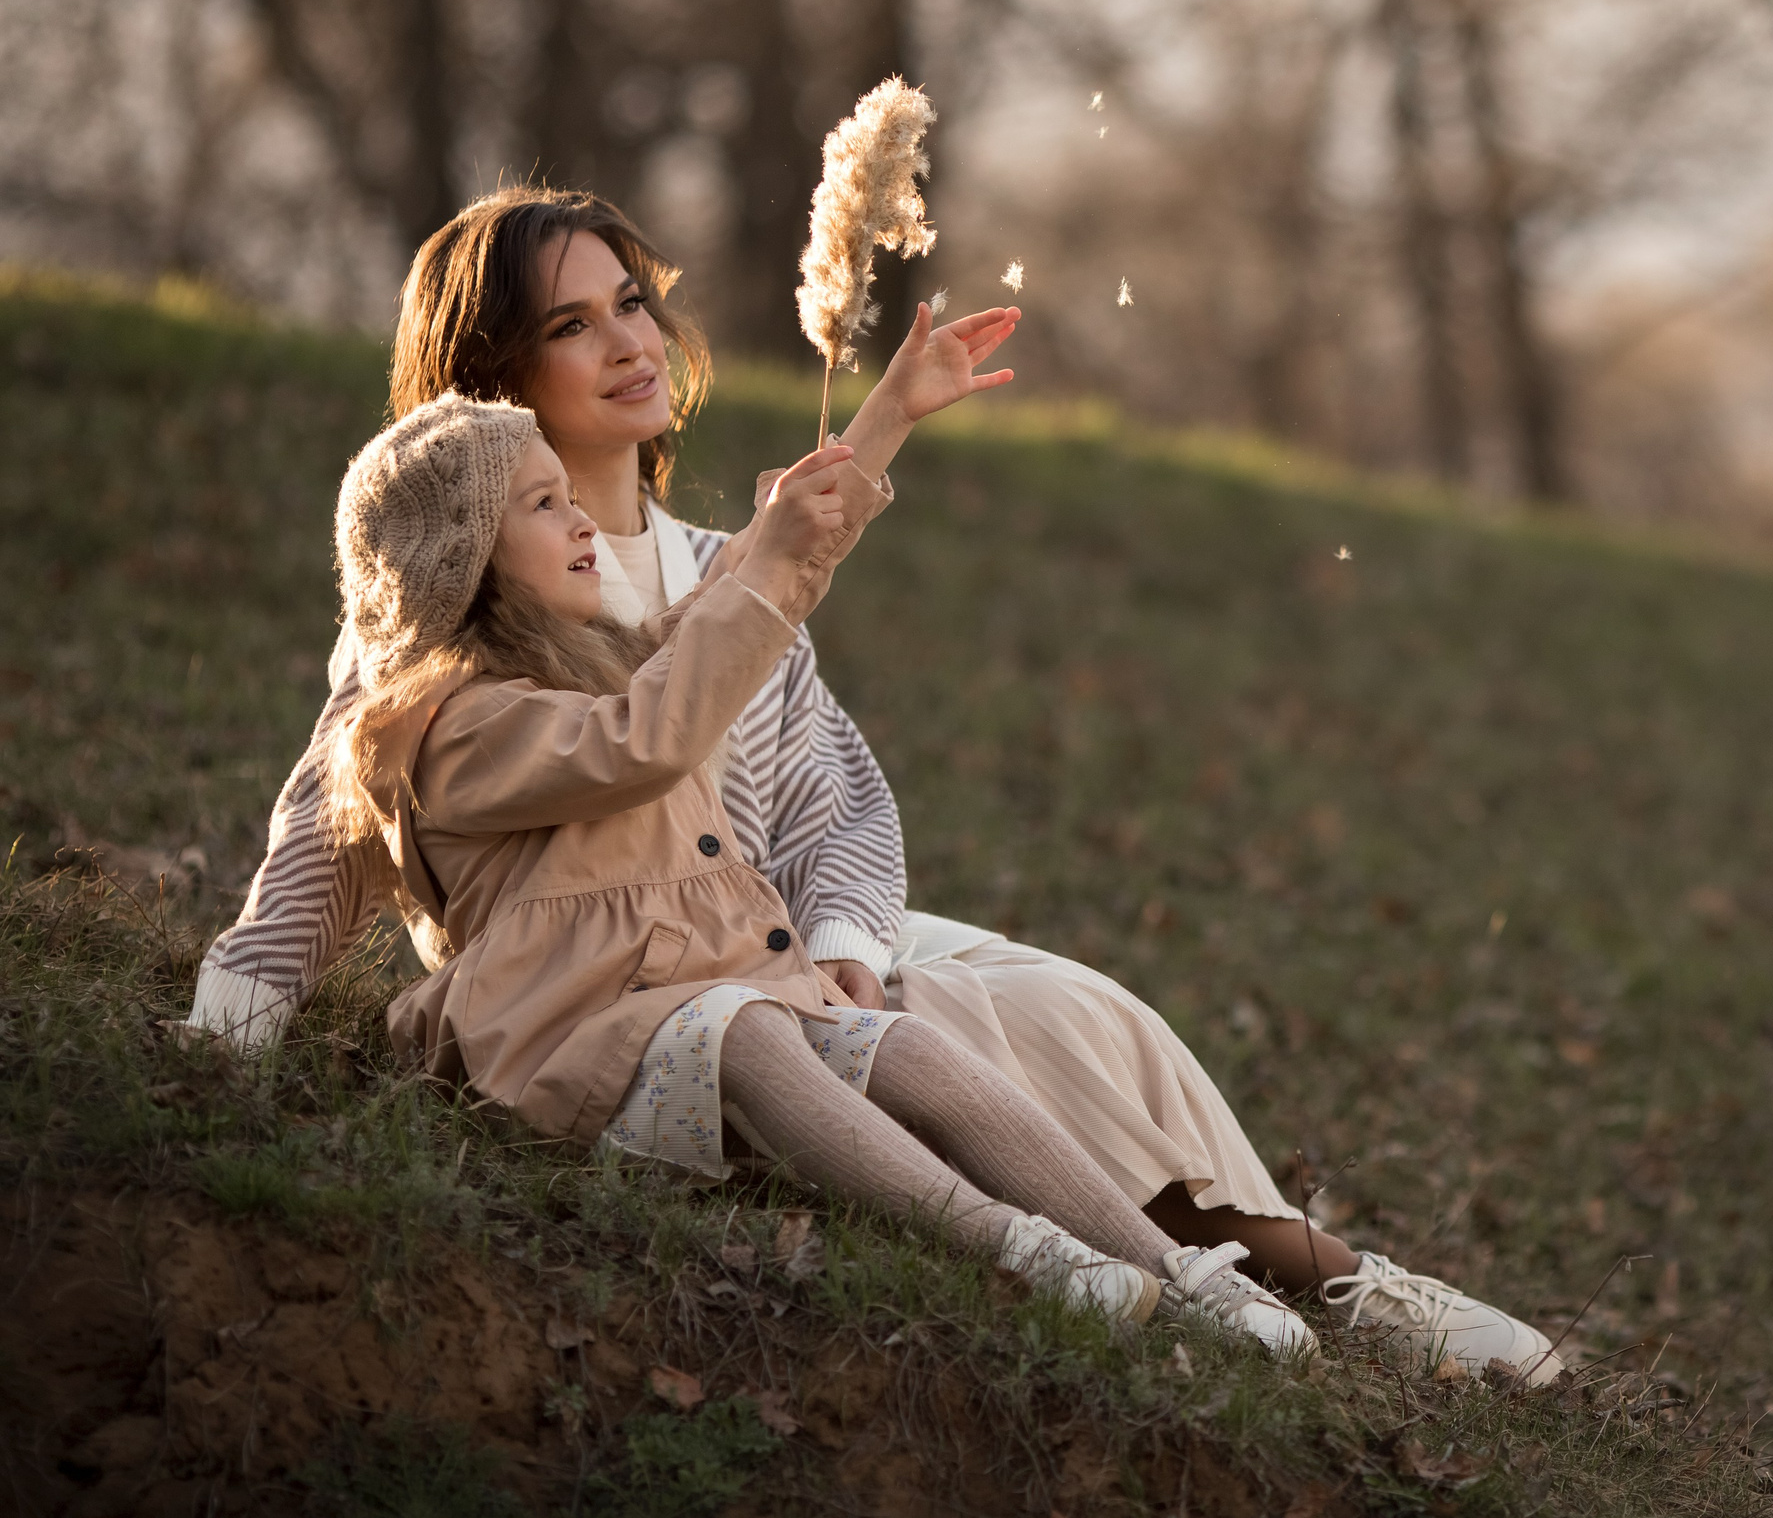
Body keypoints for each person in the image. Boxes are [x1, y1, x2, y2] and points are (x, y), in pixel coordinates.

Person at [188, 186, 1557, 1381]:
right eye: (570, 325)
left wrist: (845, 944)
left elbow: (842, 804)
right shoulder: (439, 630)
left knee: (1077, 1005)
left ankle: (1322, 1276)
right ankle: (1287, 1277)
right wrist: (232, 1026)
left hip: (801, 942)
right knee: (969, 1027)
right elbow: (332, 832)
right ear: (491, 379)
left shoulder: (720, 563)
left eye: (633, 303)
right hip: (631, 980)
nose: (627, 343)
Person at [316, 380, 1308, 1353]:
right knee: (744, 1026)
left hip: (691, 1000)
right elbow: (647, 735)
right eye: (543, 505)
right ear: (462, 560)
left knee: (898, 1047)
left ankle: (1176, 1277)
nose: (581, 521)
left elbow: (720, 608)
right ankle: (1015, 1246)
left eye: (570, 495)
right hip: (570, 1033)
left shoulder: (589, 666)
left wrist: (882, 422)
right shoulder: (459, 728)